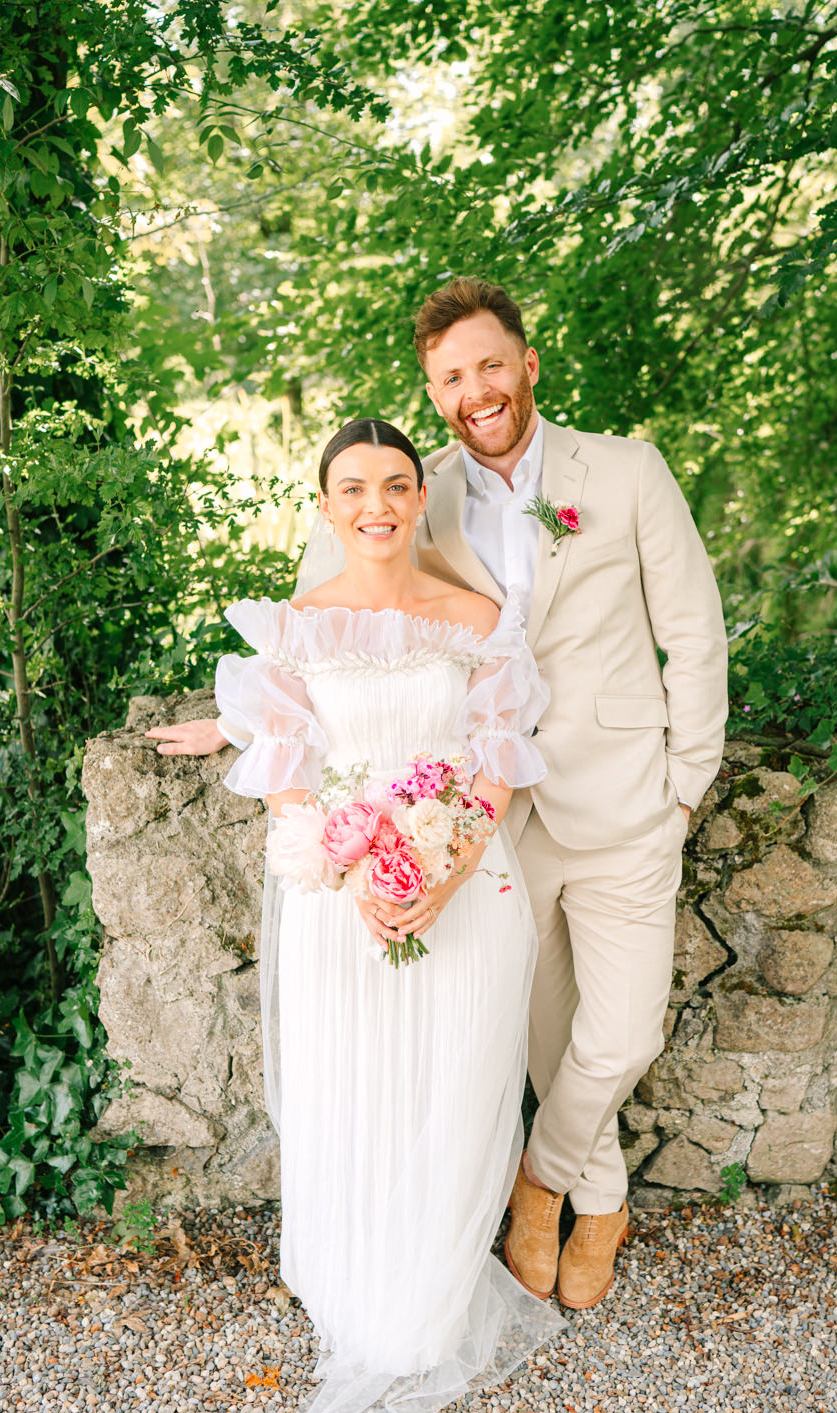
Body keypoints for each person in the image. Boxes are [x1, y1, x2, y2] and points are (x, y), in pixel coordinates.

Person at [149, 277, 728, 1315]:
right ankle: (594, 1202)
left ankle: (540, 1180)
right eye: (451, 378)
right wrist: (233, 723)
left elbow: (692, 633)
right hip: (488, 820)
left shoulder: (626, 472)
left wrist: (684, 786)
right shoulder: (426, 488)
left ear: (527, 364)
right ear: (434, 393)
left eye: (490, 366)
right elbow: (340, 634)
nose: (477, 390)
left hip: (621, 799)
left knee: (624, 1030)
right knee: (541, 1039)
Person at [203, 417, 565, 1413]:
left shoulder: (475, 619)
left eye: (396, 485)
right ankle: (358, 1294)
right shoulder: (295, 629)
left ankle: (430, 1302)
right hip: (337, 895)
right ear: (324, 508)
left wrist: (442, 874)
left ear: (419, 498)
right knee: (350, 1082)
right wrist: (356, 864)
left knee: (446, 1080)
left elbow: (496, 759)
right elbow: (286, 775)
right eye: (352, 488)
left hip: (463, 881)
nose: (376, 505)